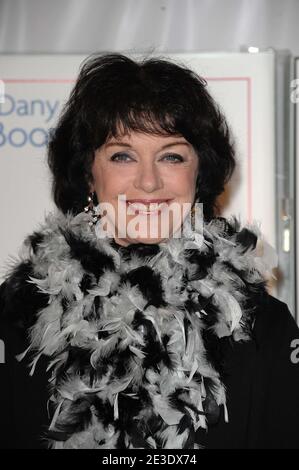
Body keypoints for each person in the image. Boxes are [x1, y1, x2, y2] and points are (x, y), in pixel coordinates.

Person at [0, 52, 299, 450]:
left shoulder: (262, 323)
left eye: (171, 155)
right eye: (122, 155)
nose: (148, 181)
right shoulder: (18, 315)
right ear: (89, 173)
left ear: (199, 174)